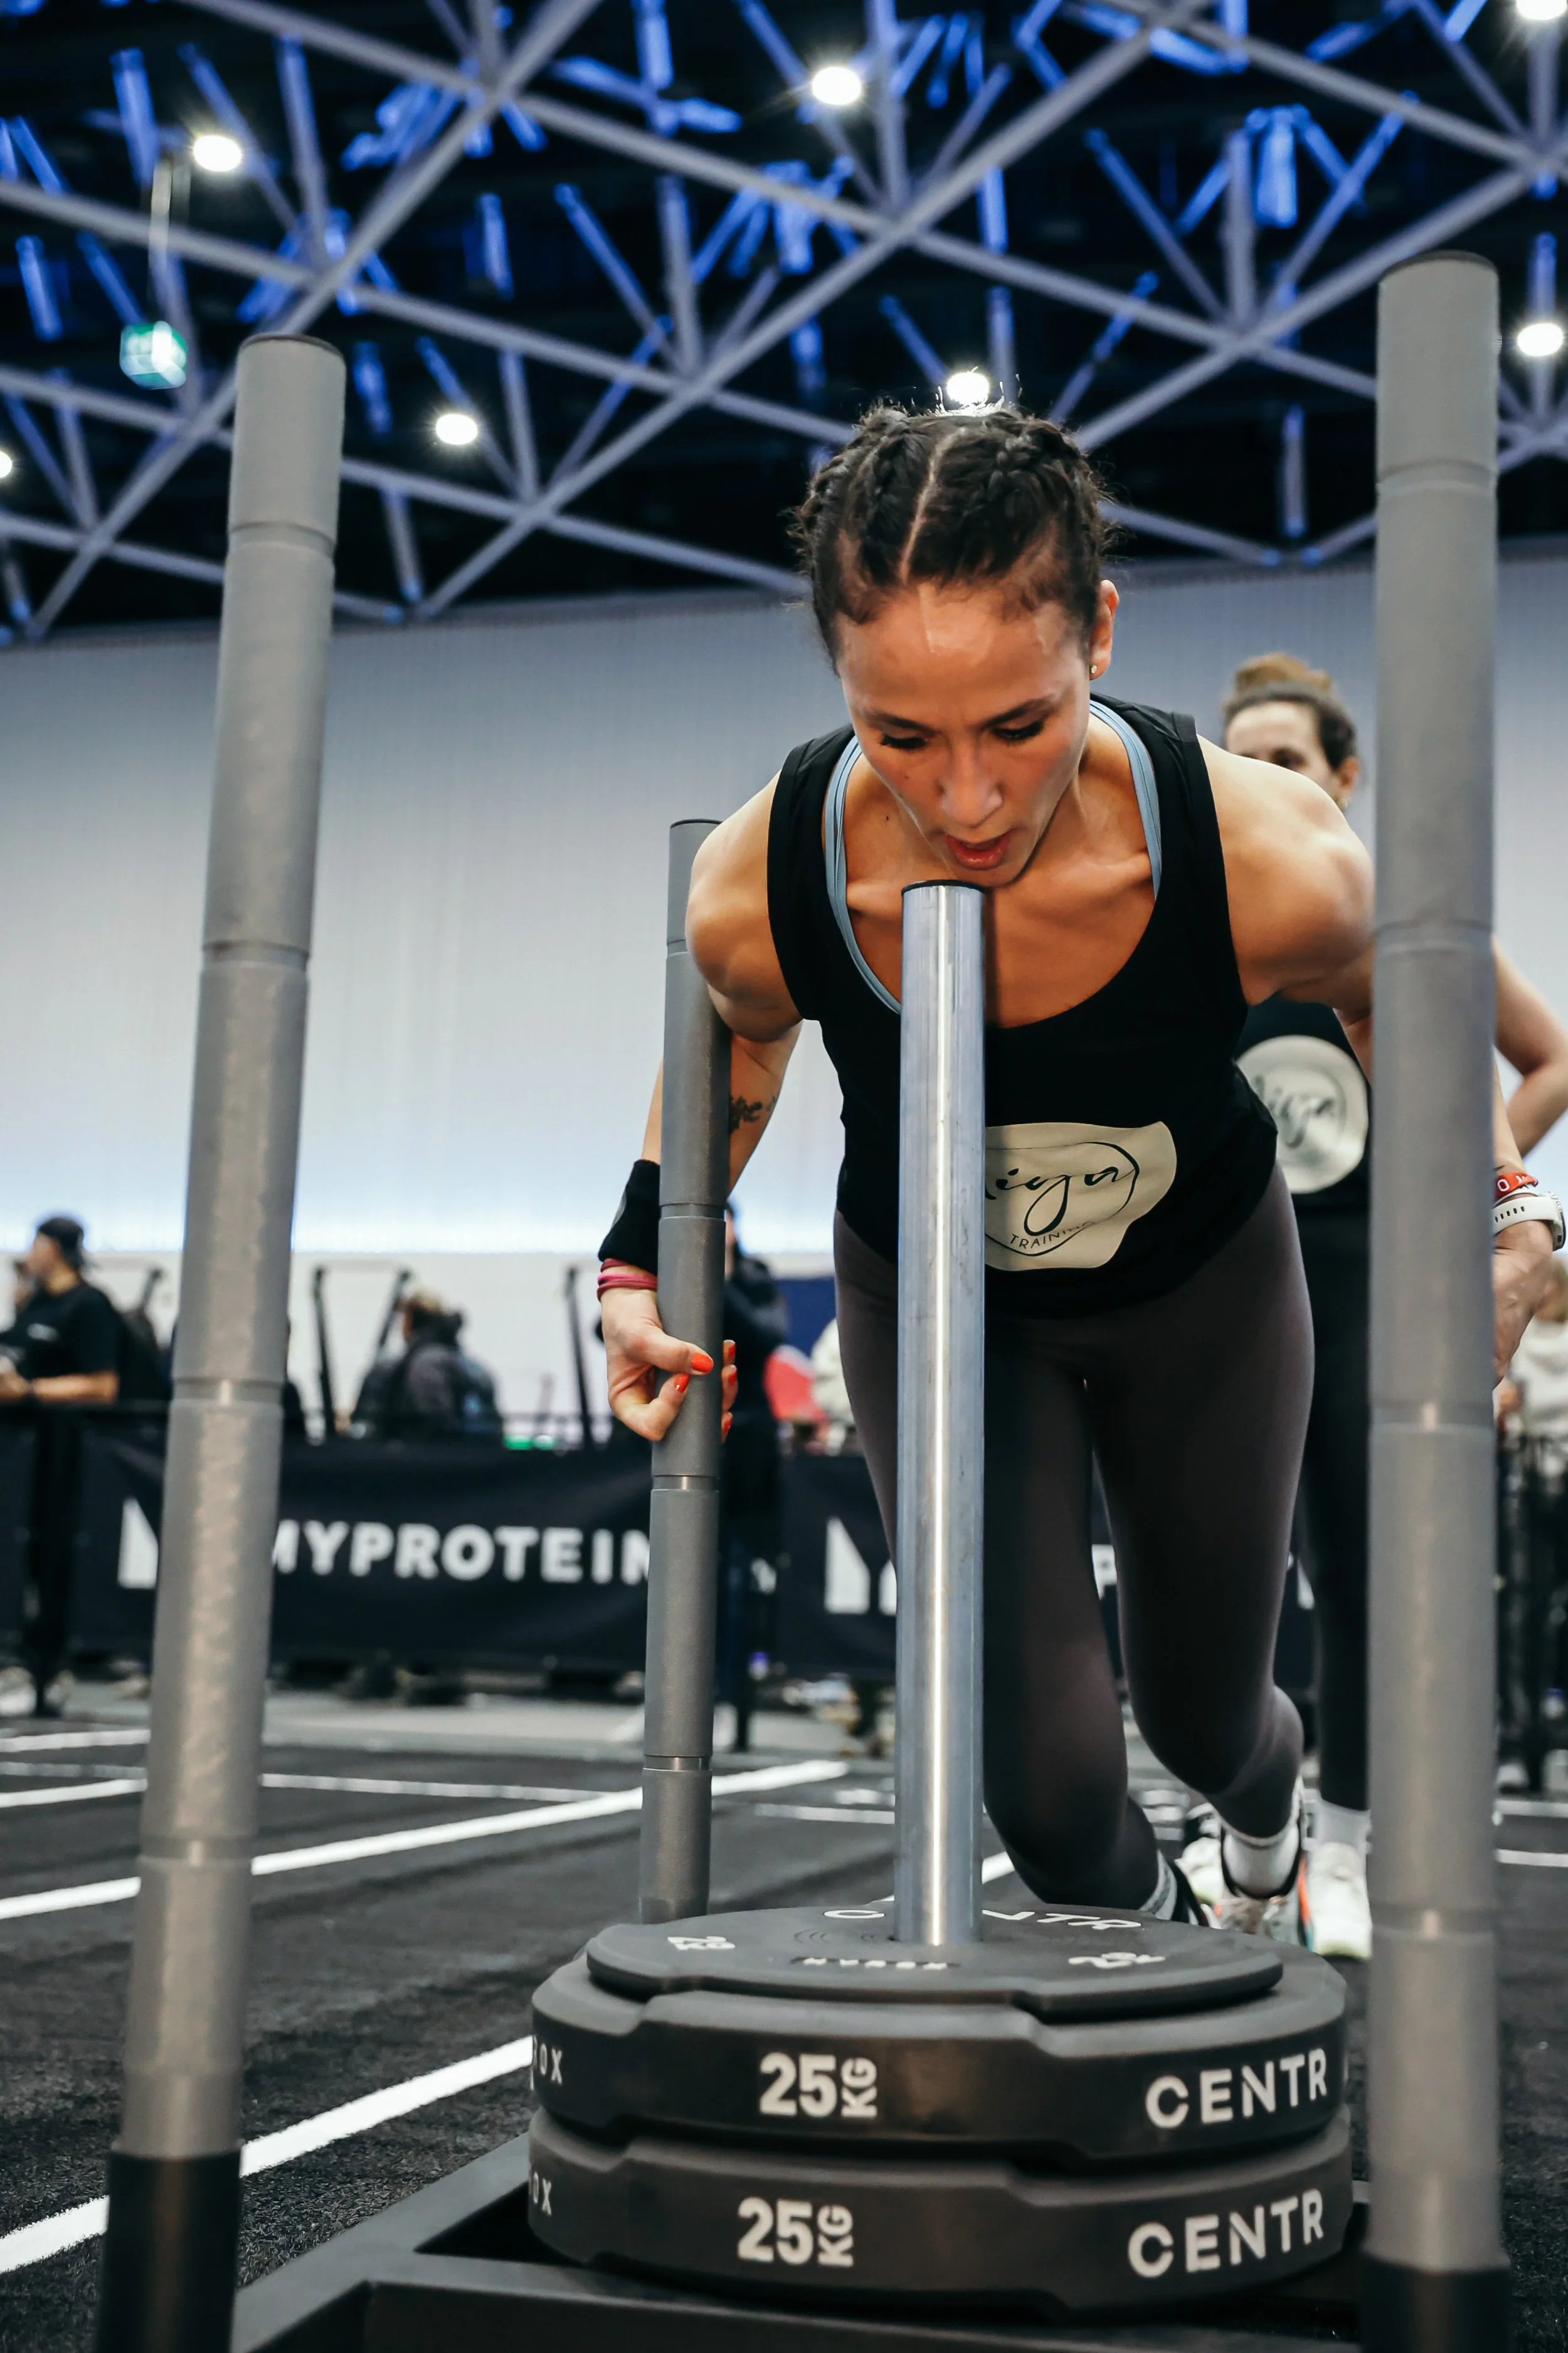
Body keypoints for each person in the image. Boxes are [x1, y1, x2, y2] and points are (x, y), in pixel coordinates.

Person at [596, 403, 1555, 1938]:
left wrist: (1509, 1214)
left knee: (1204, 1719)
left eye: (1018, 727)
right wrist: (635, 1266)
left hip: (1206, 1293)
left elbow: (1400, 999)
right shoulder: (766, 878)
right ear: (842, 679)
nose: (965, 799)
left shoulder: (1261, 849)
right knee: (1044, 1798)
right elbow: (741, 1047)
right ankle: (1181, 1961)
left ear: (1099, 633)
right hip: (935, 1298)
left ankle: (1264, 1821)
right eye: (902, 735)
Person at [1210, 654, 1568, 1957]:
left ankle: (1346, 1850)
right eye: (1238, 756)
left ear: (1341, 775)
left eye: (1287, 758)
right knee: (1224, 1568)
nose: (1261, 777)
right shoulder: (1211, 917)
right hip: (1232, 1274)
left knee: (1359, 1565)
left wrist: (1447, 1165)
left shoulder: (1389, 911)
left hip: (1363, 1266)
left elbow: (1548, 1054)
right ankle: (1252, 1825)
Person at [0, 1218, 124, 1714]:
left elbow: (103, 1385)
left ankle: (45, 1667)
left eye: (37, 1243)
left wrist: (30, 1391)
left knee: (50, 1565)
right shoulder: (36, 1303)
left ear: (56, 1248)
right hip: (18, 1460)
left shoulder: (89, 1306)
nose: (30, 1252)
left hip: (61, 1459)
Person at [719, 1206, 789, 1748]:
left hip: (746, 1446)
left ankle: (734, 1696)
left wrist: (718, 1280)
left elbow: (767, 1337)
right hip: (688, 1435)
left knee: (741, 1576)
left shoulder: (754, 1281)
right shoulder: (670, 1269)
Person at [352, 1290, 502, 1441]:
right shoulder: (460, 1360)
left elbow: (436, 1426)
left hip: (429, 1459)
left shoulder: (427, 1363)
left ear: (410, 1320)